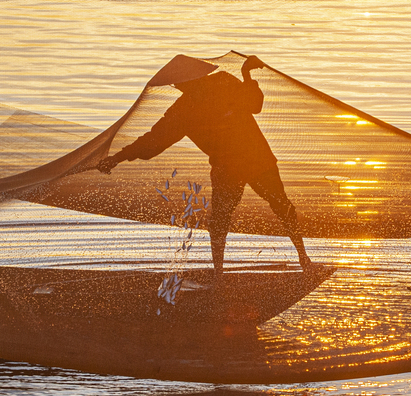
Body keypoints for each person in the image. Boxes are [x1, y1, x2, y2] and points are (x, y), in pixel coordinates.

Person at [97, 55, 313, 275]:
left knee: (282, 207)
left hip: (256, 159)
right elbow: (153, 141)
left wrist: (246, 74)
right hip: (230, 167)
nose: (180, 86)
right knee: (222, 220)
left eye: (181, 82)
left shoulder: (221, 84)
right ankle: (219, 273)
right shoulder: (183, 110)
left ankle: (304, 259)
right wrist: (118, 157)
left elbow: (254, 105)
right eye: (178, 83)